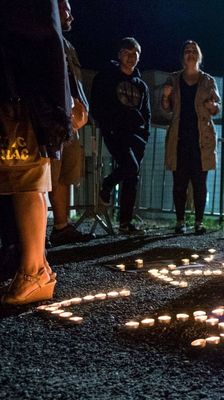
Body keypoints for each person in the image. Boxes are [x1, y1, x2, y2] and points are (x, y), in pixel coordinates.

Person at [0, 0, 71, 304]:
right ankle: (33, 266)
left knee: (25, 175)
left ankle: (34, 270)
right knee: (20, 176)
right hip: (19, 89)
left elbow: (44, 41)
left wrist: (58, 108)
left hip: (21, 95)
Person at [91, 37, 151, 235]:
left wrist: (144, 136)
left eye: (135, 53)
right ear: (119, 54)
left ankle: (125, 223)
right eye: (127, 52)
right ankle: (107, 185)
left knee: (132, 176)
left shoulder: (141, 85)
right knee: (130, 167)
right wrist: (108, 125)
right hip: (115, 132)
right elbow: (97, 104)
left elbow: (147, 114)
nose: (131, 57)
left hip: (136, 136)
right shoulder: (107, 78)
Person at [161, 40, 220, 234]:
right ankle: (180, 221)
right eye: (187, 51)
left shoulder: (208, 80)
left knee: (199, 182)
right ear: (182, 56)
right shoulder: (173, 79)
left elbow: (217, 107)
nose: (191, 54)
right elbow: (165, 109)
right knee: (179, 182)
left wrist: (213, 107)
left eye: (194, 51)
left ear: (199, 56)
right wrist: (165, 97)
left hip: (201, 139)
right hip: (179, 138)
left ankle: (199, 222)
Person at [48, 0, 92, 246]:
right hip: (51, 117)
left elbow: (76, 82)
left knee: (64, 173)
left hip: (70, 120)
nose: (71, 17)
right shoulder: (43, 39)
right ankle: (29, 237)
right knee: (47, 174)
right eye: (66, 10)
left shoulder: (69, 47)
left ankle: (61, 226)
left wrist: (82, 107)